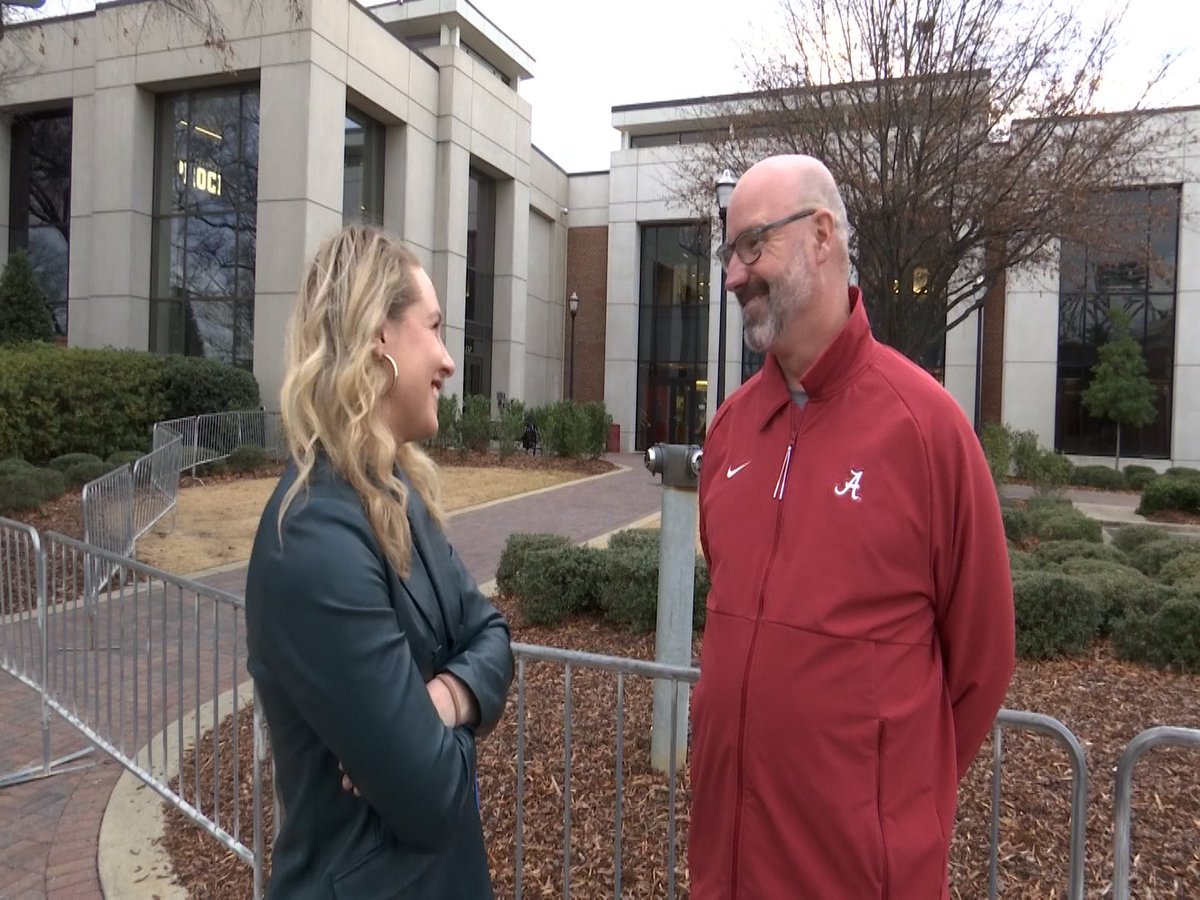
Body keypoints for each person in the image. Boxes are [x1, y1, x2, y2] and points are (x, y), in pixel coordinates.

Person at [689, 155, 1014, 898]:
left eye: (752, 245)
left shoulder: (926, 429)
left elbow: (983, 661)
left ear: (821, 235)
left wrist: (888, 801)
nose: (734, 276)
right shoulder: (730, 432)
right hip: (726, 875)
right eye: (728, 252)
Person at [245, 225, 513, 899]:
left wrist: (441, 701)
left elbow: (492, 634)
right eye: (434, 327)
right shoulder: (314, 536)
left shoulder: (395, 495)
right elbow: (431, 796)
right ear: (378, 336)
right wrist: (436, 730)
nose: (448, 361)